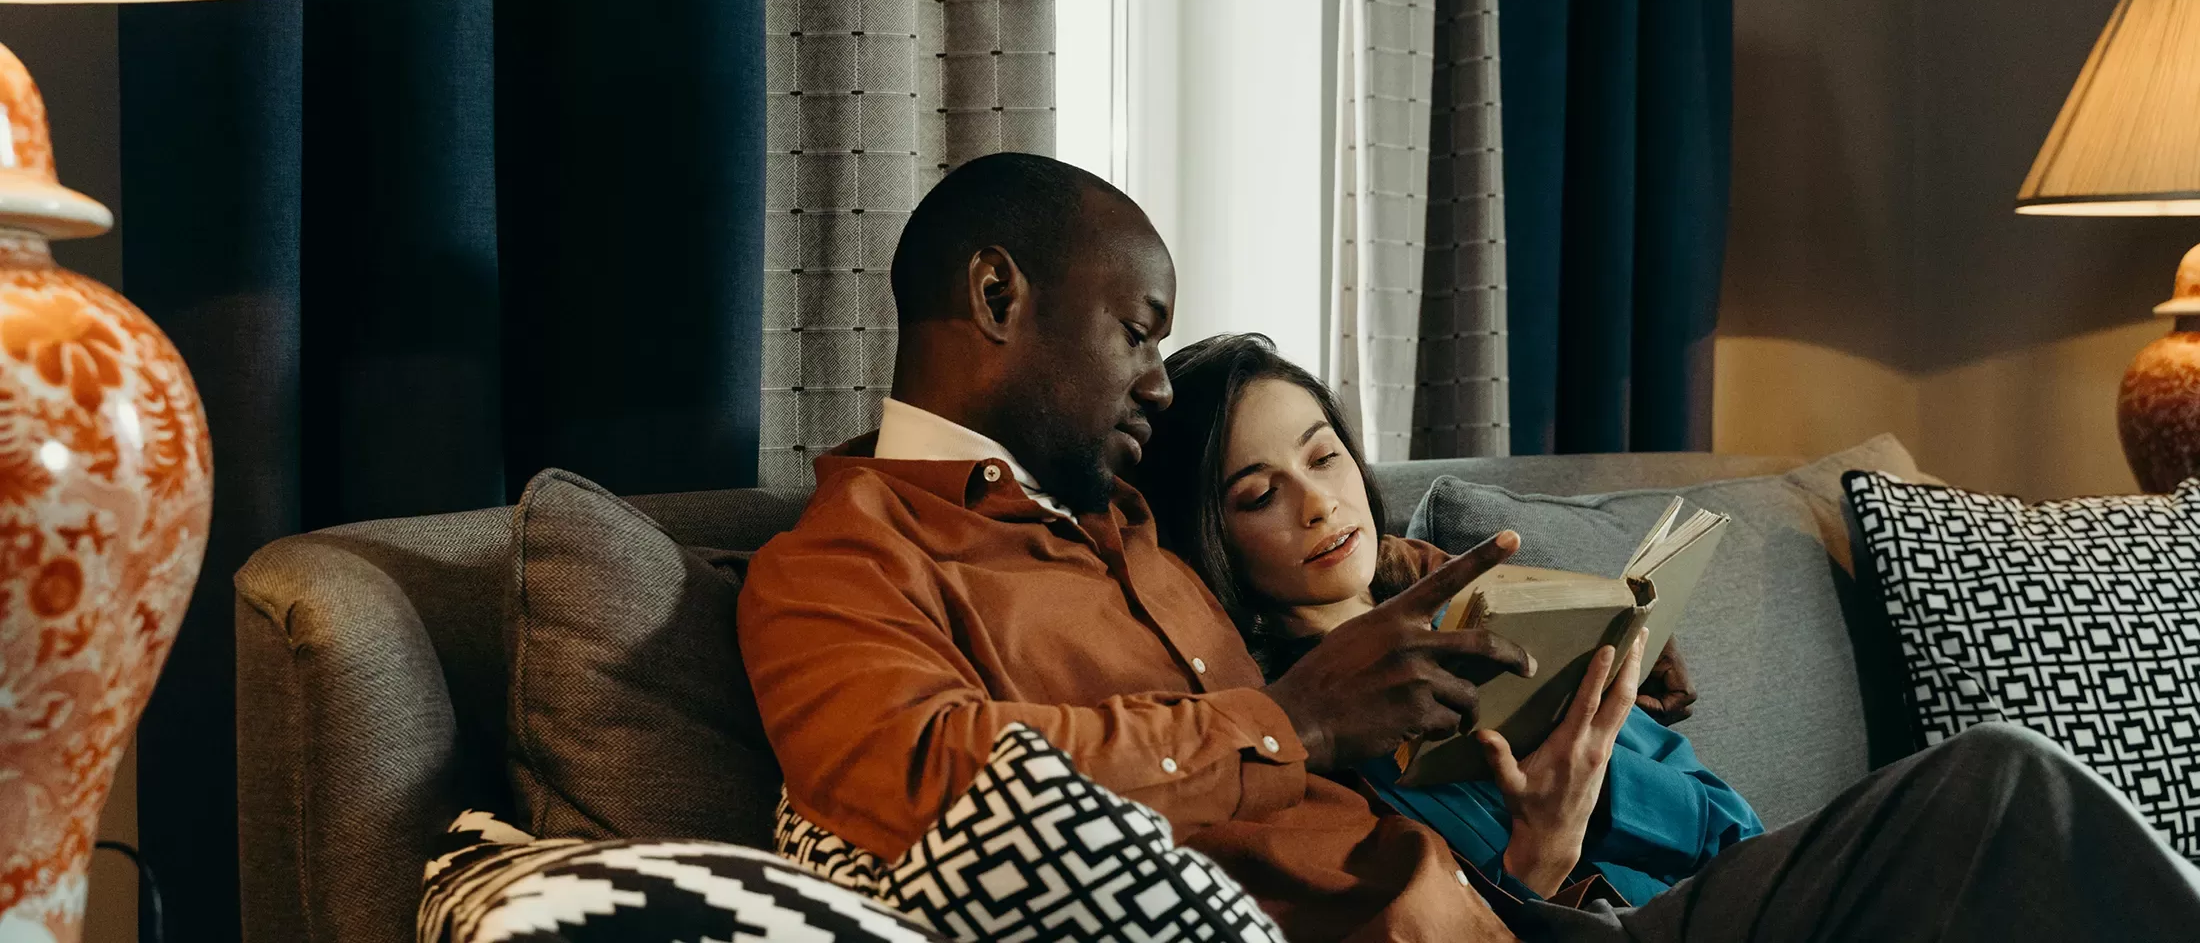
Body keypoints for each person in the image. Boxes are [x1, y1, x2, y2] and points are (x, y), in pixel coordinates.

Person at [739, 151, 2200, 942]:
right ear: (996, 295)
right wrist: (1291, 717)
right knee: (2000, 803)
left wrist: (1534, 661)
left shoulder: (1129, 539)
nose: (1159, 381)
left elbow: (1297, 709)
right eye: (1139, 333)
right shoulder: (846, 560)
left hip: (1529, 914)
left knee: (1998, 808)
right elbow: (930, 783)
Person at [1130, 332, 1763, 907]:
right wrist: (1539, 854)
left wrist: (1596, 779)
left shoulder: (1504, 631)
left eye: (1323, 458)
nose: (1320, 503)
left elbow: (1741, 831)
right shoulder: (1305, 750)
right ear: (1209, 540)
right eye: (1260, 495)